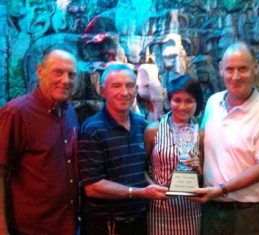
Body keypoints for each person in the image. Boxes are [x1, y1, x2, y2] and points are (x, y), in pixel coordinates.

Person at [192, 42, 259, 235]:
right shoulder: (213, 102)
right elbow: (203, 143)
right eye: (230, 69)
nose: (236, 76)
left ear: (255, 69)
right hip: (212, 209)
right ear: (220, 70)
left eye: (243, 69)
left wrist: (220, 189)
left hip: (248, 214)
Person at [78, 63, 168, 235]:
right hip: (106, 226)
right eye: (116, 86)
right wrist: (139, 193)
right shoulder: (92, 129)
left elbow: (145, 169)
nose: (125, 92)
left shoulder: (142, 125)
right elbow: (92, 186)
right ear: (103, 91)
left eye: (130, 85)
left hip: (139, 222)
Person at [0, 45, 79, 235]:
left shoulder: (70, 112)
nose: (65, 80)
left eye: (71, 74)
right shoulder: (16, 113)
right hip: (31, 229)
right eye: (58, 72)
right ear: (40, 71)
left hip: (67, 225)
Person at [144, 74, 204, 235]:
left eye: (189, 100)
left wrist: (198, 169)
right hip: (159, 208)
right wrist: (152, 187)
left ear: (197, 103)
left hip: (189, 209)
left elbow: (203, 176)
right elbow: (140, 168)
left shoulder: (201, 134)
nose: (182, 106)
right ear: (169, 101)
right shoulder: (153, 130)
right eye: (177, 100)